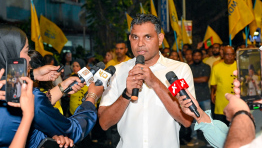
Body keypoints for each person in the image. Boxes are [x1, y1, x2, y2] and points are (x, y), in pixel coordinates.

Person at [98, 14, 195, 148]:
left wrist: (154, 82)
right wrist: (126, 94)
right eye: (135, 37)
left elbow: (186, 120)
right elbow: (104, 123)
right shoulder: (117, 71)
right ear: (129, 39)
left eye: (147, 37)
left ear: (160, 39)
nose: (140, 44)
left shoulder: (179, 70)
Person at [0, 26, 103, 148]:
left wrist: (60, 86)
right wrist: (91, 98)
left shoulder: (9, 91)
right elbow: (73, 130)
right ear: (14, 54)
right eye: (26, 52)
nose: (29, 58)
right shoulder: (30, 97)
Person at [187, 49, 211, 146]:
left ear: (202, 56)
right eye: (195, 55)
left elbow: (204, 79)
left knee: (208, 119)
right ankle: (194, 138)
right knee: (192, 120)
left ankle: (210, 138)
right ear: (192, 56)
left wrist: (190, 79)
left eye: (198, 55)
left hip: (205, 97)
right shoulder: (188, 67)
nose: (197, 57)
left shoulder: (206, 66)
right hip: (192, 97)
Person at [210, 46, 236, 125]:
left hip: (236, 104)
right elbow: (213, 84)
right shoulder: (216, 67)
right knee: (221, 129)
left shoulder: (240, 66)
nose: (230, 56)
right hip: (221, 104)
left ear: (235, 55)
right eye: (227, 54)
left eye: (232, 54)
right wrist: (213, 94)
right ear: (223, 55)